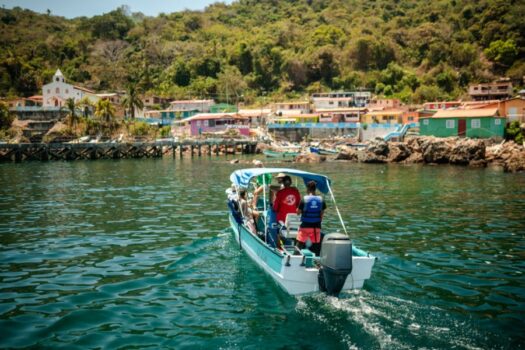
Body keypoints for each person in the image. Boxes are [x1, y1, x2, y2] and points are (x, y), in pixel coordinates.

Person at [296, 181, 327, 256]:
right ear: (315, 189)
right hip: (316, 227)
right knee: (316, 245)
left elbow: (298, 212)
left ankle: (295, 256)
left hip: (305, 226)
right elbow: (322, 214)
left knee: (299, 244)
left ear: (307, 189)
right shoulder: (321, 200)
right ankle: (317, 260)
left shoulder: (304, 199)